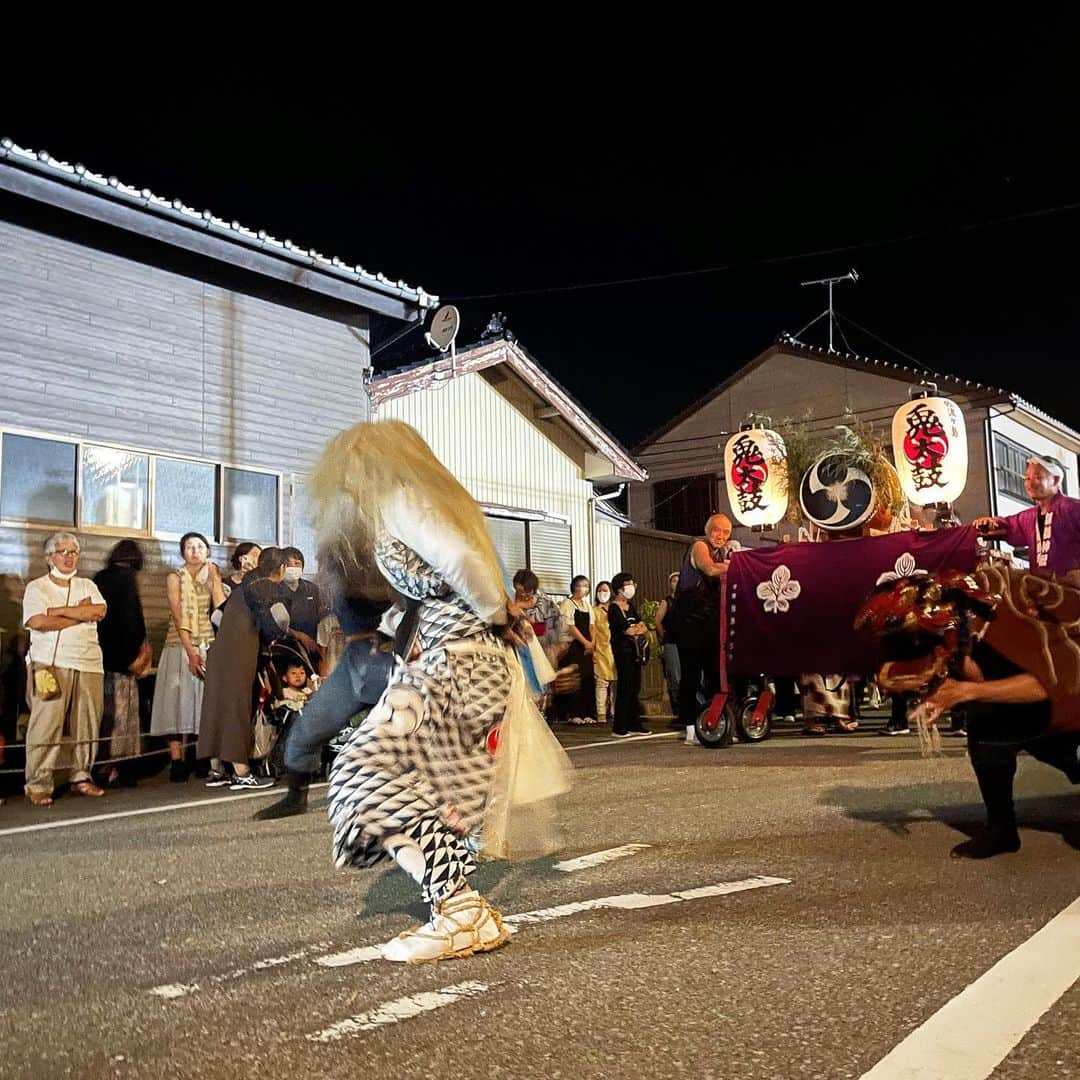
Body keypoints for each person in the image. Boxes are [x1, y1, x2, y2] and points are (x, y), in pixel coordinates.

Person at [316, 419, 529, 963]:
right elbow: (454, 572)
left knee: (362, 769)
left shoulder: (398, 497)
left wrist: (495, 611)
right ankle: (460, 910)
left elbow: (461, 561)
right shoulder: (420, 499)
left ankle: (460, 910)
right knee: (428, 789)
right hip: (462, 660)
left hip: (454, 662)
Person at [21, 532, 108, 806]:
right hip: (48, 662)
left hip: (89, 662)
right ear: (49, 558)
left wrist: (57, 611)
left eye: (73, 552)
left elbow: (98, 612)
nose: (69, 557)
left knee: (88, 722)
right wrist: (76, 614)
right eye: (62, 552)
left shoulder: (87, 585)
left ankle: (81, 776)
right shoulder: (37, 587)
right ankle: (38, 783)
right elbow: (37, 621)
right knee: (45, 724)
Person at [197, 547, 290, 790]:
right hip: (240, 653)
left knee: (217, 706)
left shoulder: (244, 586)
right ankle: (241, 771)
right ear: (281, 569)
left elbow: (216, 616)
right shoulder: (267, 586)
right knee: (238, 707)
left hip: (220, 652)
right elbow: (281, 620)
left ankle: (217, 769)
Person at [150, 532, 225, 781]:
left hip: (207, 641)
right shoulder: (175, 577)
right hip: (178, 644)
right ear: (183, 552)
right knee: (175, 702)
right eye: (190, 547)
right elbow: (177, 612)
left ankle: (199, 756)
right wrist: (190, 652)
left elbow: (219, 606)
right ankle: (176, 760)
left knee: (201, 702)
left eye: (200, 547)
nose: (195, 551)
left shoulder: (212, 573)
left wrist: (215, 578)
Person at [93, 540, 152, 787]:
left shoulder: (99, 577)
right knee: (121, 715)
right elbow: (131, 619)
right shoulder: (126, 579)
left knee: (102, 716)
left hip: (99, 657)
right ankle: (116, 768)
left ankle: (98, 764)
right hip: (123, 661)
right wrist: (139, 650)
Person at [671, 515, 733, 746]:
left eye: (726, 532)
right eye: (717, 530)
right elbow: (708, 569)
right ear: (708, 530)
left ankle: (717, 719)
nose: (721, 536)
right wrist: (732, 566)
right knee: (691, 673)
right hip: (690, 619)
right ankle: (690, 728)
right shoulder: (699, 546)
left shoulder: (723, 554)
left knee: (716, 673)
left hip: (711, 620)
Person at [973, 454, 1080, 584]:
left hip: (1071, 587)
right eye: (1027, 478)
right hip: (1041, 586)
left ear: (1056, 480)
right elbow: (1008, 526)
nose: (1030, 483)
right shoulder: (1029, 518)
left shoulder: (1072, 508)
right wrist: (990, 523)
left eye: (1038, 477)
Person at [607, 572, 648, 737]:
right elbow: (627, 629)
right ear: (619, 589)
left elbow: (643, 625)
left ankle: (634, 724)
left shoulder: (631, 606)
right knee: (625, 686)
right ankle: (620, 726)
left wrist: (637, 628)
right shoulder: (614, 608)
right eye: (628, 584)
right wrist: (635, 629)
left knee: (635, 687)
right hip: (622, 651)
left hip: (635, 651)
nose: (632, 587)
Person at [557, 576, 596, 724]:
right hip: (573, 646)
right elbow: (570, 626)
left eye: (586, 586)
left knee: (587, 678)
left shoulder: (587, 605)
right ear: (574, 586)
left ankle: (589, 713)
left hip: (587, 647)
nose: (583, 588)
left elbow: (592, 625)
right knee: (575, 679)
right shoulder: (568, 603)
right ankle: (574, 713)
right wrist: (584, 642)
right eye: (580, 585)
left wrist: (592, 642)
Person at [280, 547, 325, 662]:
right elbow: (273, 623)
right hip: (284, 648)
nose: (293, 568)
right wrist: (299, 636)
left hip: (312, 647)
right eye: (288, 564)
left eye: (297, 563)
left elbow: (322, 617)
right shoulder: (274, 589)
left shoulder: (312, 588)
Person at [654, 570, 682, 721]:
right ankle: (677, 710)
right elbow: (657, 621)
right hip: (671, 642)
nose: (676, 583)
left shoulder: (686, 600)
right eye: (673, 581)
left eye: (679, 580)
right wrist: (663, 636)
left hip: (686, 642)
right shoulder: (667, 601)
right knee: (674, 676)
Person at [592, 581, 617, 724]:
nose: (603, 593)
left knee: (616, 684)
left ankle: (615, 712)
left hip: (615, 650)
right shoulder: (594, 611)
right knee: (602, 683)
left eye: (605, 590)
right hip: (601, 650)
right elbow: (593, 631)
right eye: (600, 590)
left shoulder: (615, 609)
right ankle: (601, 713)